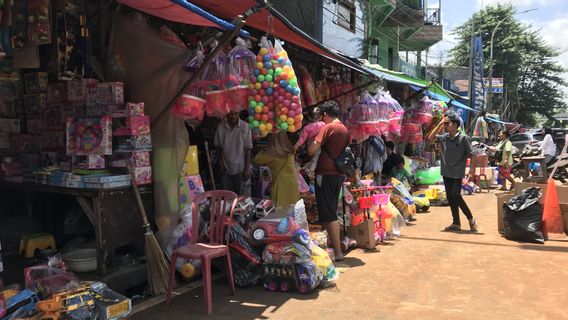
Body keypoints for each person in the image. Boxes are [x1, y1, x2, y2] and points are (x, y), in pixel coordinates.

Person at [308, 100, 349, 261]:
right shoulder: (344, 128)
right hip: (338, 173)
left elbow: (312, 150)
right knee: (330, 209)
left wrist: (310, 138)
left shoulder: (328, 127)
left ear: (325, 115)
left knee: (328, 213)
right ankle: (333, 247)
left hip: (325, 173)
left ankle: (337, 252)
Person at [428, 115, 478, 232]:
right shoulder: (445, 137)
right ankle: (456, 222)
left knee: (456, 195)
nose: (446, 126)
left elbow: (473, 154)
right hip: (446, 172)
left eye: (448, 124)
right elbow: (430, 138)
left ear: (455, 126)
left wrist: (471, 171)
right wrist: (440, 124)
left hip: (457, 172)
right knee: (450, 197)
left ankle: (471, 219)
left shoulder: (463, 138)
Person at [254, 131, 300, 207]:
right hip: (292, 183)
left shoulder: (271, 153)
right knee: (291, 209)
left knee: (279, 210)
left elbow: (256, 160)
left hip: (280, 185)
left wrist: (265, 148)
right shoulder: (290, 149)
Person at [214, 112, 252, 194]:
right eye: (231, 114)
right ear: (226, 114)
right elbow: (218, 147)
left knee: (242, 197)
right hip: (225, 167)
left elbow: (248, 148)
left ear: (239, 113)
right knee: (227, 196)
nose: (233, 116)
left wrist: (247, 168)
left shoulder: (245, 126)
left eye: (235, 114)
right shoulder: (221, 127)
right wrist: (221, 163)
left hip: (240, 167)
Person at [295, 107, 325, 178]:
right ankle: (311, 171)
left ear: (309, 117)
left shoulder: (307, 127)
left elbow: (302, 138)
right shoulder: (323, 124)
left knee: (310, 157)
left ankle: (307, 169)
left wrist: (297, 145)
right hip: (318, 144)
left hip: (309, 145)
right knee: (316, 158)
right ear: (320, 117)